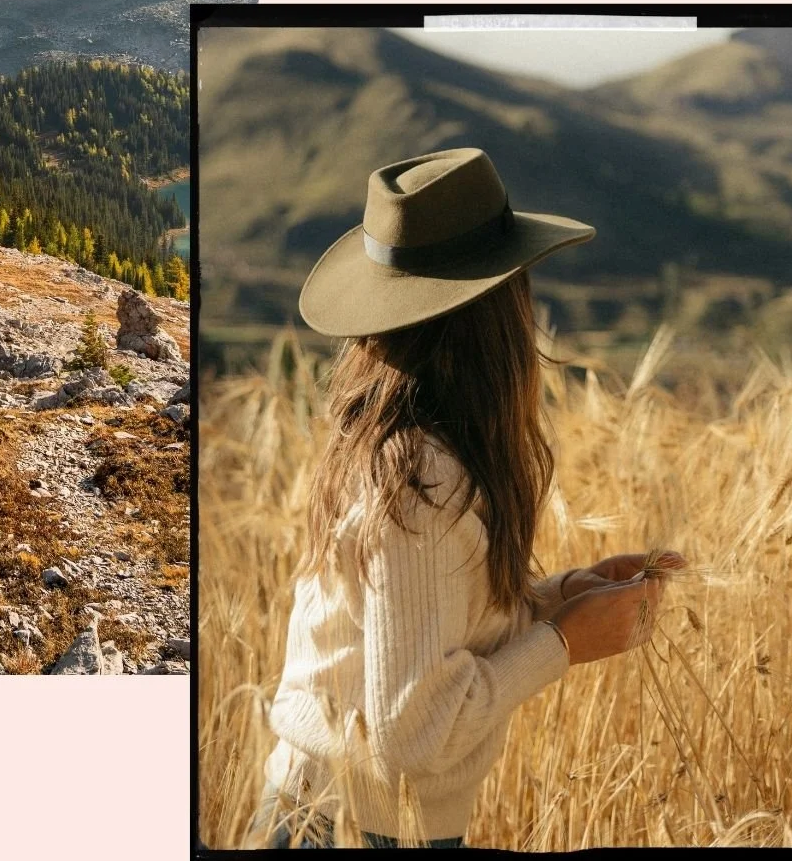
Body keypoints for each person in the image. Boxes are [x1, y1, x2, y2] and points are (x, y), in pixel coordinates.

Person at [250, 148, 684, 849]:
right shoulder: (423, 480)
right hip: (350, 828)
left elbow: (427, 633)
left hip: (344, 817)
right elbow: (415, 734)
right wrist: (565, 641)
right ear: (494, 315)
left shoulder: (408, 453)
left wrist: (560, 597)